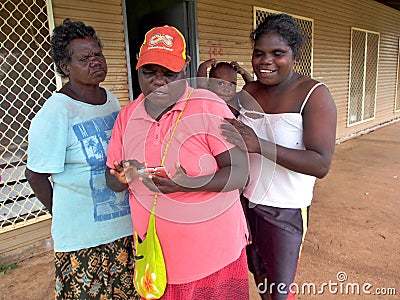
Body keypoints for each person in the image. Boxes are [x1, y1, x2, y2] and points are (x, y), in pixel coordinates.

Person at [105, 25, 250, 299]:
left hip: (214, 257)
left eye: (169, 73)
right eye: (149, 72)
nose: (159, 81)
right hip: (157, 261)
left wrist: (189, 184)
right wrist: (121, 177)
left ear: (185, 68)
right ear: (137, 69)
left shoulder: (208, 105)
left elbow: (240, 172)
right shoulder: (127, 116)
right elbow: (111, 178)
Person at [220, 13, 337, 300]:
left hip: (286, 210)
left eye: (277, 53)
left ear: (294, 55)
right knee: (259, 275)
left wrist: (260, 145)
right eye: (259, 53)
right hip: (247, 203)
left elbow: (320, 163)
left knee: (280, 291)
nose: (265, 61)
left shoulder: (313, 94)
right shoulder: (249, 90)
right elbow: (218, 119)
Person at [25, 19, 139, 300]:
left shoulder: (110, 100)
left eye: (97, 54)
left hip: (123, 231)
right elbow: (35, 175)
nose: (95, 62)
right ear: (65, 67)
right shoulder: (56, 112)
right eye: (84, 58)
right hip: (83, 241)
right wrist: (62, 214)